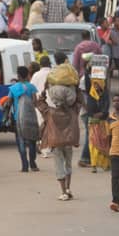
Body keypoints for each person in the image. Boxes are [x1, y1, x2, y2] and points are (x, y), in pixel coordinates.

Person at [38, 60, 83, 201]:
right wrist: (76, 87)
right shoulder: (73, 112)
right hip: (69, 141)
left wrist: (45, 89)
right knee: (68, 164)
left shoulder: (50, 113)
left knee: (59, 166)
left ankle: (63, 192)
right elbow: (79, 100)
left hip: (56, 143)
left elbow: (39, 102)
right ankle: (69, 188)